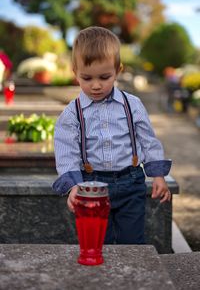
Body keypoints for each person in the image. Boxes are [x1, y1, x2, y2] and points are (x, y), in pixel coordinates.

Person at [52, 26, 172, 244]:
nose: (96, 85)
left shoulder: (132, 104)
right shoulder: (72, 113)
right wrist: (73, 185)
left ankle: (132, 275)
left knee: (133, 242)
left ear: (118, 70)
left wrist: (158, 175)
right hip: (92, 186)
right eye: (87, 78)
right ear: (75, 73)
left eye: (105, 77)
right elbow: (66, 151)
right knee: (97, 241)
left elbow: (147, 140)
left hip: (131, 183)